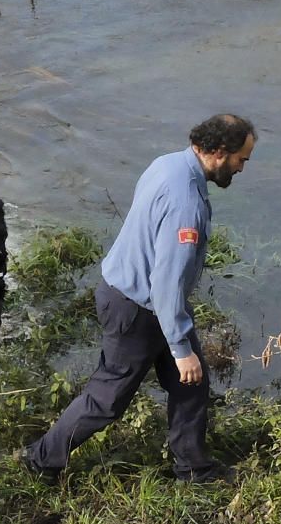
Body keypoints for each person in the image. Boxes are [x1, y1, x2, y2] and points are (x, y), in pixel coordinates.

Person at [23, 114, 256, 483]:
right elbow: (165, 282)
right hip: (138, 309)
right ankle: (41, 459)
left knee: (191, 384)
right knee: (108, 398)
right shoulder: (186, 205)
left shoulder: (167, 164)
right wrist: (180, 347)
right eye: (242, 159)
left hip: (139, 298)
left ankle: (192, 467)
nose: (243, 167)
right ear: (218, 152)